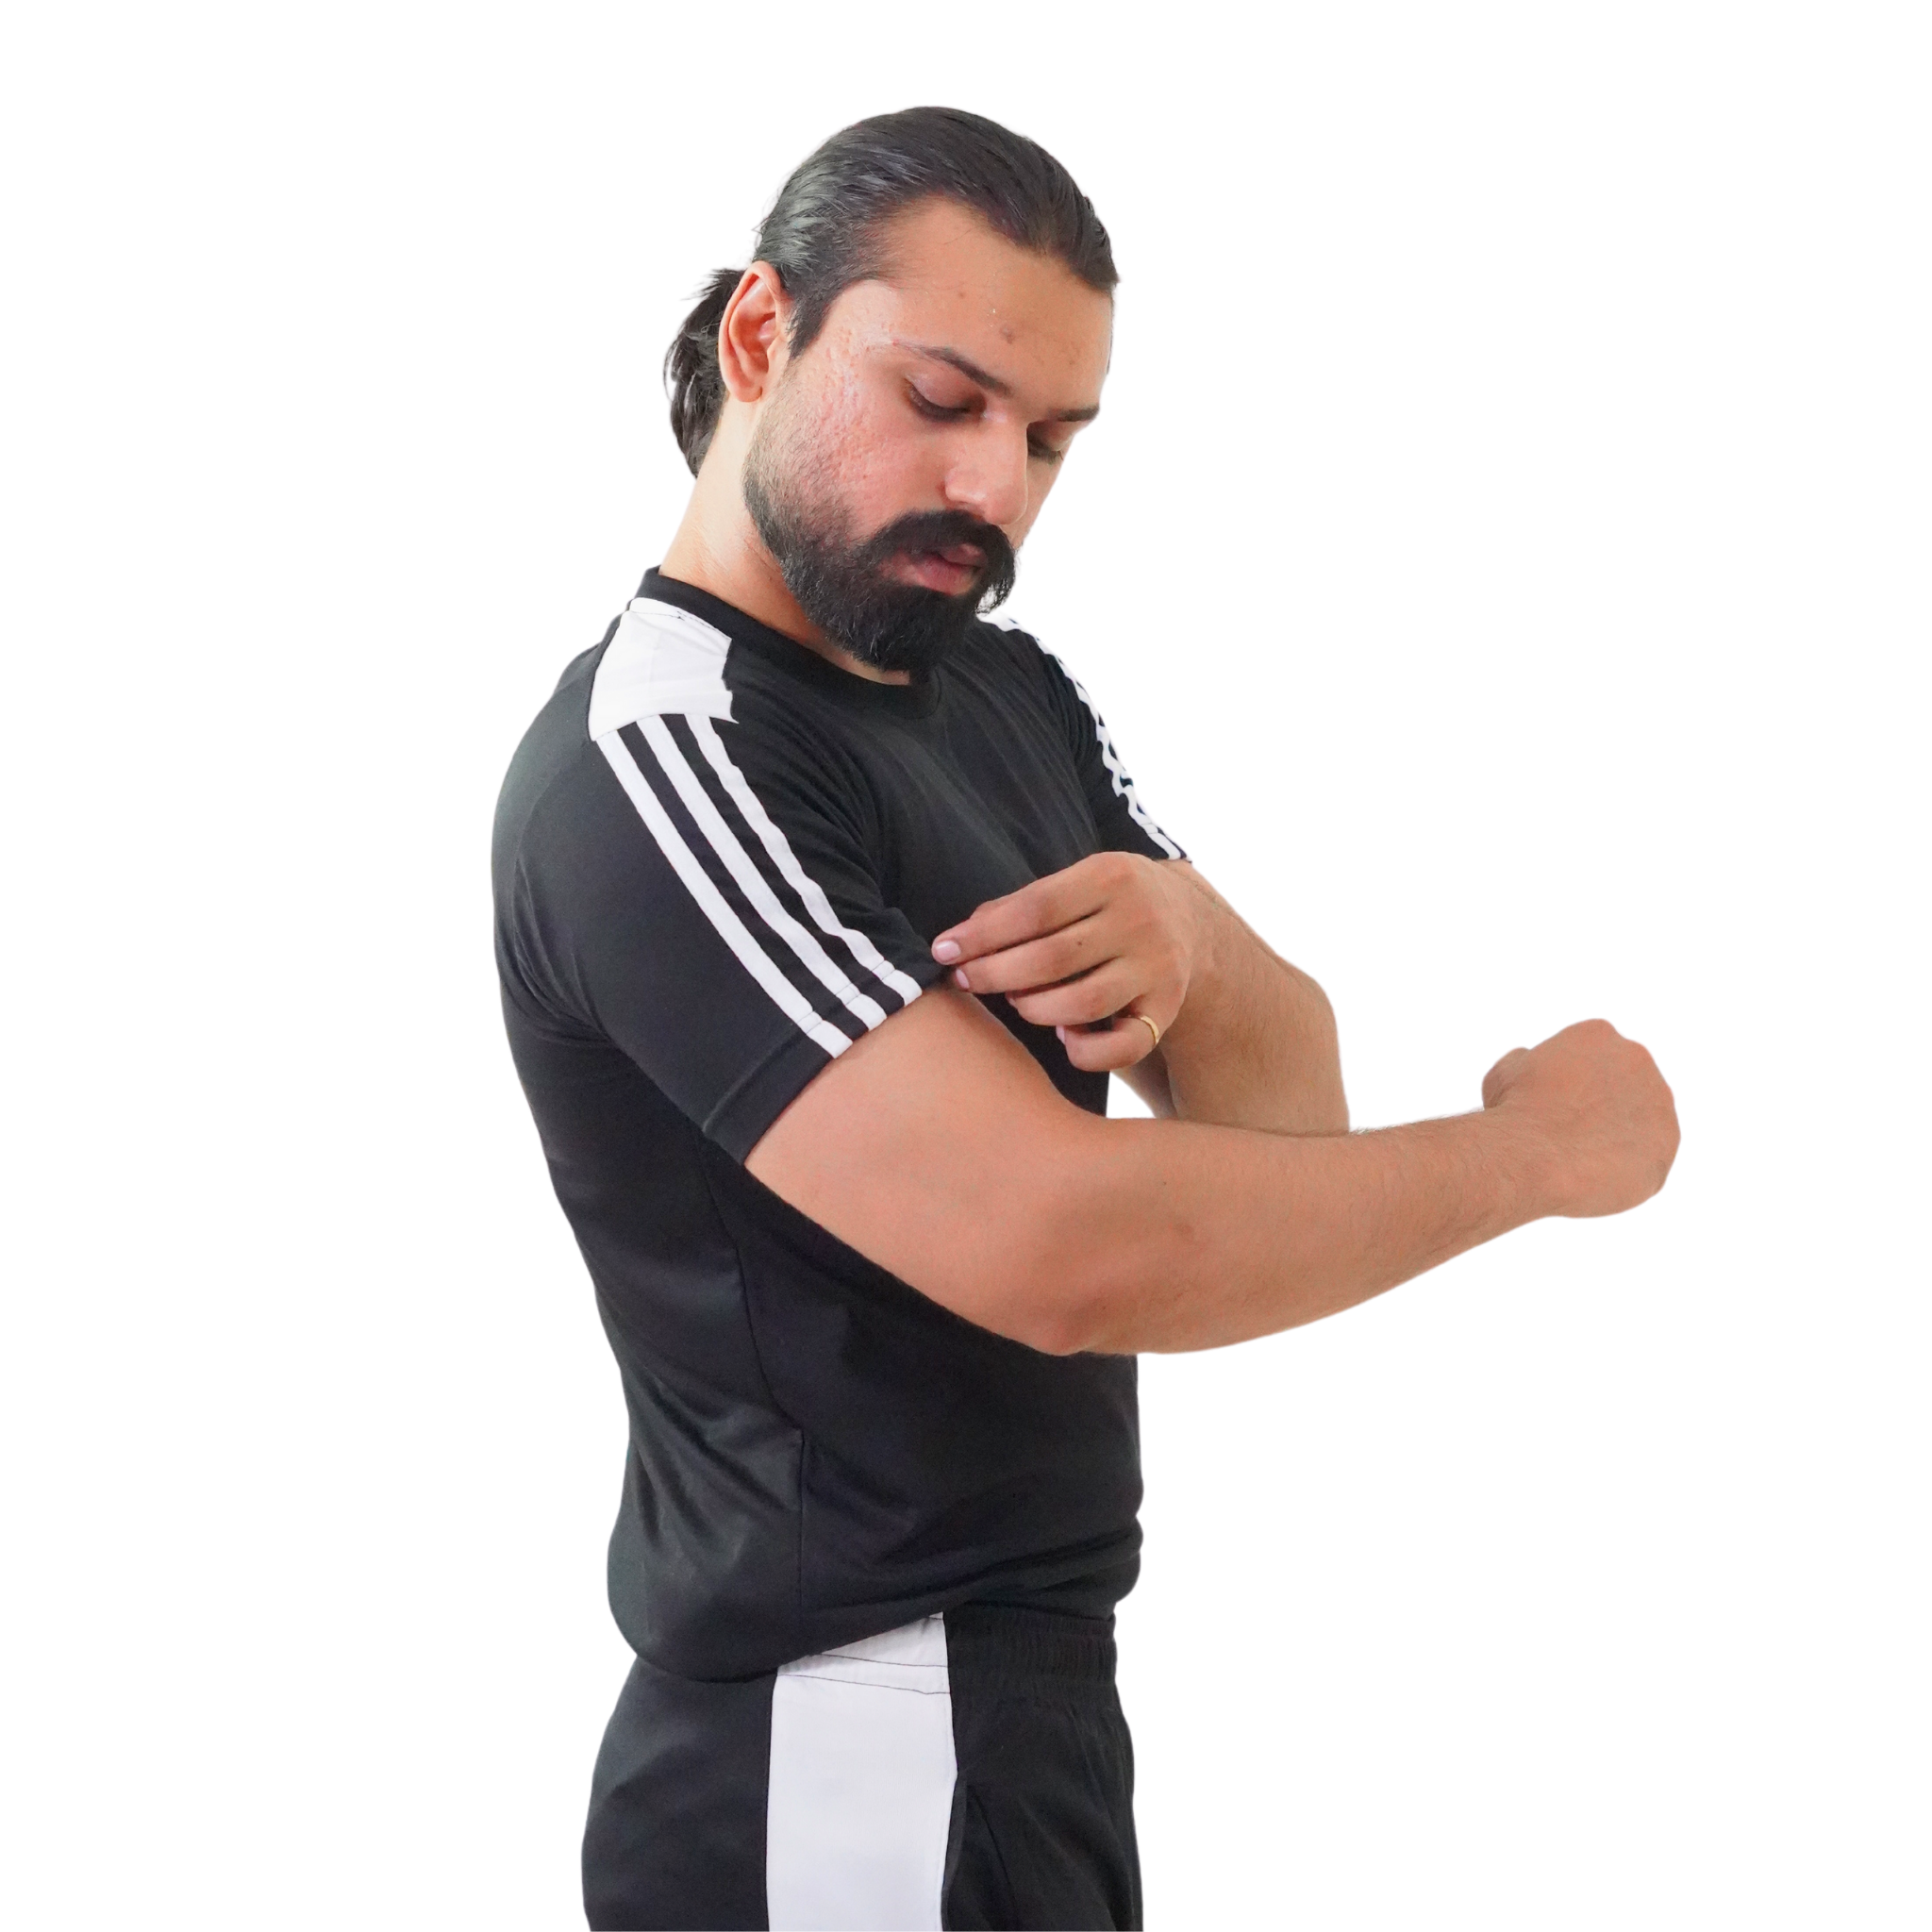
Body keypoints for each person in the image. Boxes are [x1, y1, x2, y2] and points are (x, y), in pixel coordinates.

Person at [491, 105, 1678, 1932]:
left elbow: (1277, 1157)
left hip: (1013, 1709)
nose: (995, 487)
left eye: (1049, 438)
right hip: (839, 1732)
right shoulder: (667, 756)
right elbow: (1062, 1246)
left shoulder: (1006, 692)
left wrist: (1197, 944)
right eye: (941, 399)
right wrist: (1539, 1156)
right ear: (761, 335)